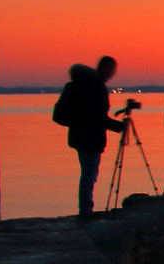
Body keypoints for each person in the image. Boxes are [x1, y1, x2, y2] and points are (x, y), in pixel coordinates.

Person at [53, 55, 127, 218]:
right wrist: (118, 126)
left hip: (79, 136)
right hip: (91, 137)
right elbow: (96, 116)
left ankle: (86, 209)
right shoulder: (96, 86)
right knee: (89, 174)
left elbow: (89, 115)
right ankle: (86, 210)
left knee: (87, 173)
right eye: (112, 70)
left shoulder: (77, 85)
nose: (113, 74)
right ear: (105, 68)